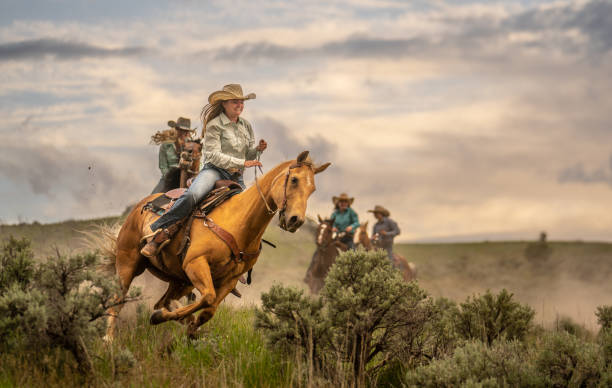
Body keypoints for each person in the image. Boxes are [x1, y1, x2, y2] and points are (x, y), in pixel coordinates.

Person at [141, 84, 267, 258]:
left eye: (241, 102)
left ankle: (239, 253)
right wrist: (243, 162)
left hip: (235, 176)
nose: (240, 105)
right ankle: (159, 231)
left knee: (252, 209)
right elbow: (214, 156)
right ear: (224, 104)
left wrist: (258, 150)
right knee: (192, 195)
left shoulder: (246, 126)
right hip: (214, 171)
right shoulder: (215, 126)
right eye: (235, 102)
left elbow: (247, 153)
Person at [150, 117, 196, 194]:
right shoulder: (165, 145)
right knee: (153, 197)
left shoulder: (192, 146)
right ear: (176, 130)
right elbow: (163, 166)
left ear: (187, 132)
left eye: (185, 131)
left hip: (187, 176)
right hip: (169, 177)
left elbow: (196, 162)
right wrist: (170, 178)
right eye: (180, 130)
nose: (182, 133)